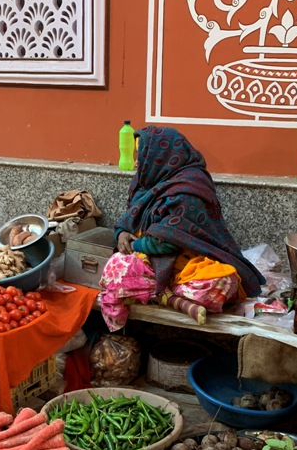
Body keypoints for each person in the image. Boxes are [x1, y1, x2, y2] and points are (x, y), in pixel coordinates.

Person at [100, 126, 263, 330]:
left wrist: (136, 244)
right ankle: (167, 295)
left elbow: (166, 243)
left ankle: (163, 293)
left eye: (141, 157)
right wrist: (121, 233)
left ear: (160, 156)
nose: (136, 163)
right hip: (152, 260)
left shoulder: (190, 186)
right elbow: (129, 217)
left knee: (220, 284)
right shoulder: (152, 177)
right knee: (115, 268)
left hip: (191, 260)